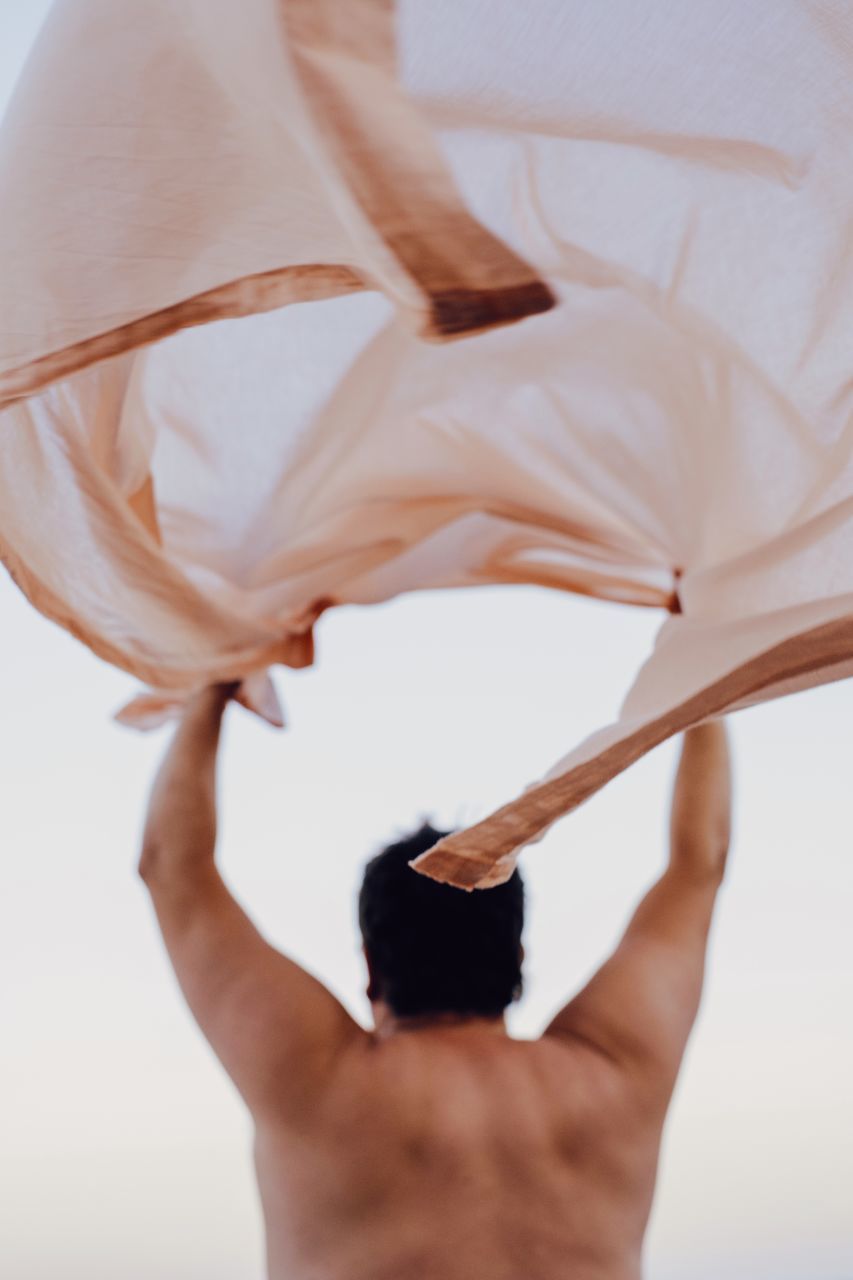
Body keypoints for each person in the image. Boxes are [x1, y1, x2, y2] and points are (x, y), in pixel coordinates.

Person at [139, 683, 732, 1280]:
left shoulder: (320, 1078)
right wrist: (706, 668)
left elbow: (172, 867)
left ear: (371, 964)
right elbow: (699, 862)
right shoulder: (612, 1068)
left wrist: (217, 682)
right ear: (518, 953)